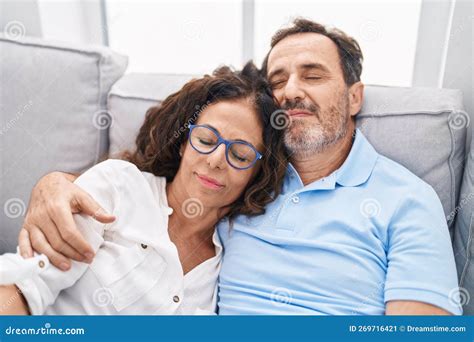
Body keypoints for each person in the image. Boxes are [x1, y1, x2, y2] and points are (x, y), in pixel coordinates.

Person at [13, 19, 462, 315]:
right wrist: (54, 184)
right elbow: (141, 192)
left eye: (313, 74)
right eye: (278, 79)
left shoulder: (407, 200)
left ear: (355, 96)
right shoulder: (247, 186)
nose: (290, 91)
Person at [0, 62, 288, 315]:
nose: (215, 161)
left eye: (240, 155)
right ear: (183, 144)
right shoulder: (121, 186)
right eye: (205, 139)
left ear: (256, 173)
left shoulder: (228, 266)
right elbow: (24, 289)